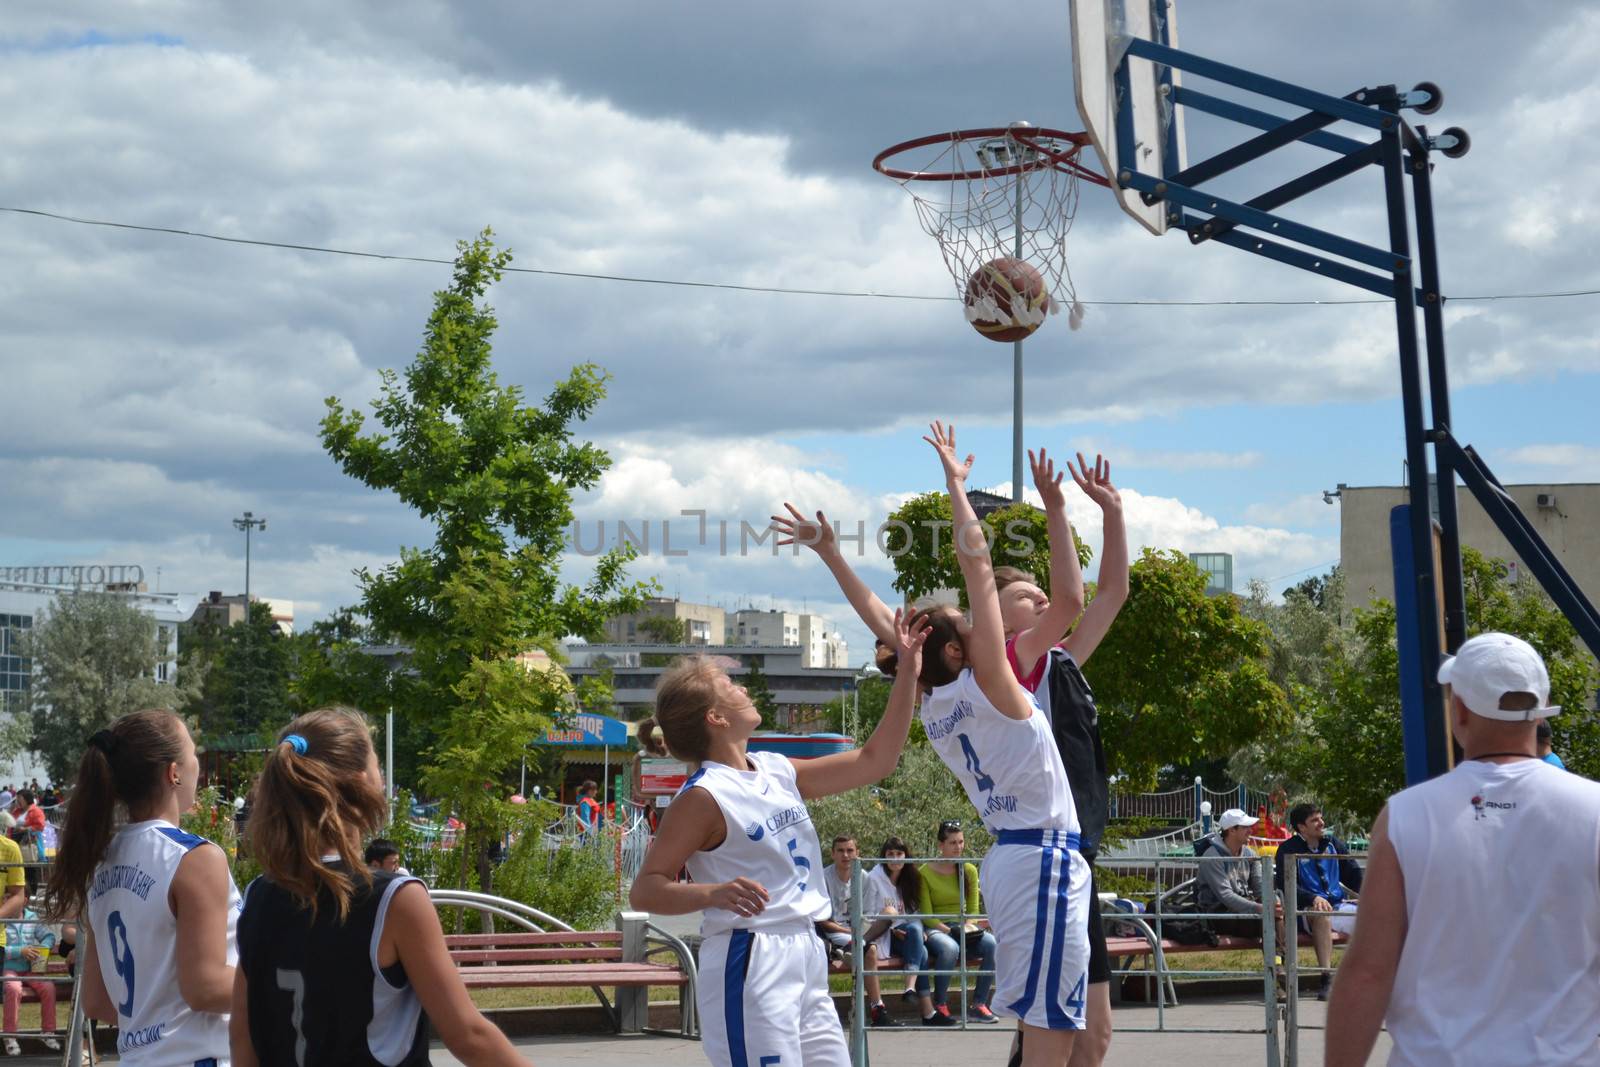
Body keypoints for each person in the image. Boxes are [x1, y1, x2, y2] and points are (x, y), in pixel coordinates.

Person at [780, 422, 1093, 1066]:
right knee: (1052, 1025)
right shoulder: (995, 686)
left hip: (1016, 856)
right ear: (960, 648)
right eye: (970, 621)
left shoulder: (934, 701)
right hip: (1042, 859)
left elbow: (884, 620)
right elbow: (977, 560)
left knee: (1046, 1023)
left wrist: (835, 556)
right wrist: (957, 487)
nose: (978, 619)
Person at [628, 610, 929, 1067]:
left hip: (804, 948)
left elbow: (876, 761)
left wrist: (907, 672)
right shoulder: (704, 796)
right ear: (716, 717)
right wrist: (713, 892)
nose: (743, 688)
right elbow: (646, 887)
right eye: (731, 687)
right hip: (750, 953)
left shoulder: (773, 768)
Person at [1327, 632, 1600, 1067]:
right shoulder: (1594, 810)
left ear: (1459, 709)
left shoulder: (1406, 816)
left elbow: (1368, 972)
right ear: (1540, 709)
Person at [231, 707, 525, 1067]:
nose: (382, 779)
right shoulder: (394, 899)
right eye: (377, 768)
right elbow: (469, 1035)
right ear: (361, 782)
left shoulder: (259, 896)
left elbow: (243, 1044)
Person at [998, 449, 1128, 1067]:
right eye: (1027, 593)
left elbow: (1112, 592)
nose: (1040, 597)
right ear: (996, 618)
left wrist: (1112, 513)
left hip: (1080, 855)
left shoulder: (1062, 661)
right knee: (1049, 1036)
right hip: (1046, 858)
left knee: (1092, 1039)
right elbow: (1074, 595)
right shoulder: (1010, 665)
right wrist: (1054, 508)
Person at [45, 708, 238, 1066]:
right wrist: (286, 977)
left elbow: (97, 1001)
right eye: (193, 753)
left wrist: (155, 1020)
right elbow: (207, 987)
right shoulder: (194, 858)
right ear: (174, 772)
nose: (198, 764)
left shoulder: (100, 864)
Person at [1272, 802, 1362, 1000]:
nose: (1321, 823)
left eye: (1321, 818)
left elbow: (1354, 875)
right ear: (1302, 827)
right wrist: (1313, 897)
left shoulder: (1333, 844)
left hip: (1337, 907)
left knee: (1376, 916)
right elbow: (1286, 886)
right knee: (1321, 915)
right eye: (1315, 820)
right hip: (1303, 912)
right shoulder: (1288, 850)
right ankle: (1326, 979)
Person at [918, 821, 998, 1023]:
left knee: (993, 945)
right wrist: (950, 931)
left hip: (963, 925)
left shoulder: (968, 869)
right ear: (941, 845)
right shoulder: (924, 873)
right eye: (953, 843)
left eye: (961, 842)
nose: (958, 847)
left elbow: (973, 909)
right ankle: (941, 1004)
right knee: (950, 949)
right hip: (937, 927)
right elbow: (927, 915)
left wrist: (967, 927)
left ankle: (979, 1004)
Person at [817, 834, 901, 1027]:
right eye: (840, 851)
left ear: (857, 853)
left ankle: (877, 1008)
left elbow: (868, 915)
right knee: (867, 949)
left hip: (860, 931)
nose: (845, 855)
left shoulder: (864, 877)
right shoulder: (823, 877)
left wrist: (858, 934)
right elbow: (823, 920)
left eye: (850, 850)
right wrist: (849, 933)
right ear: (833, 853)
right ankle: (875, 1007)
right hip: (835, 932)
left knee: (888, 914)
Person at [867, 836, 950, 1026]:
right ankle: (926, 1010)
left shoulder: (910, 878)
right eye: (890, 854)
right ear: (884, 856)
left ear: (906, 856)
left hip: (909, 934)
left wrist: (919, 930)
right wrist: (893, 929)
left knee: (916, 933)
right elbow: (870, 914)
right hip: (885, 933)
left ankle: (912, 990)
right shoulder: (874, 878)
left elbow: (914, 913)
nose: (895, 859)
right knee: (921, 950)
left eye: (899, 854)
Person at [1193, 809, 1280, 945]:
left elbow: (1260, 887)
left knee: (1276, 915)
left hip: (1241, 910)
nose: (1251, 830)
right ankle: (1280, 963)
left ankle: (1279, 963)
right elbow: (1225, 896)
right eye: (1245, 827)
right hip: (1216, 914)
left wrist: (1273, 901)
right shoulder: (1212, 856)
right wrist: (1259, 908)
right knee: (1268, 919)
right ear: (1231, 830)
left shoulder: (1249, 853)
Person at [2, 906, 59, 1055]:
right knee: (13, 989)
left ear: (24, 900)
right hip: (9, 968)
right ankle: (10, 1035)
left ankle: (48, 1032)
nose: (7, 901)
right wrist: (20, 950)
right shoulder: (2, 916)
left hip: (30, 969)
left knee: (48, 987)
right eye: (5, 897)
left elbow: (49, 936)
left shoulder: (31, 917)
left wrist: (42, 948)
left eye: (11, 897)